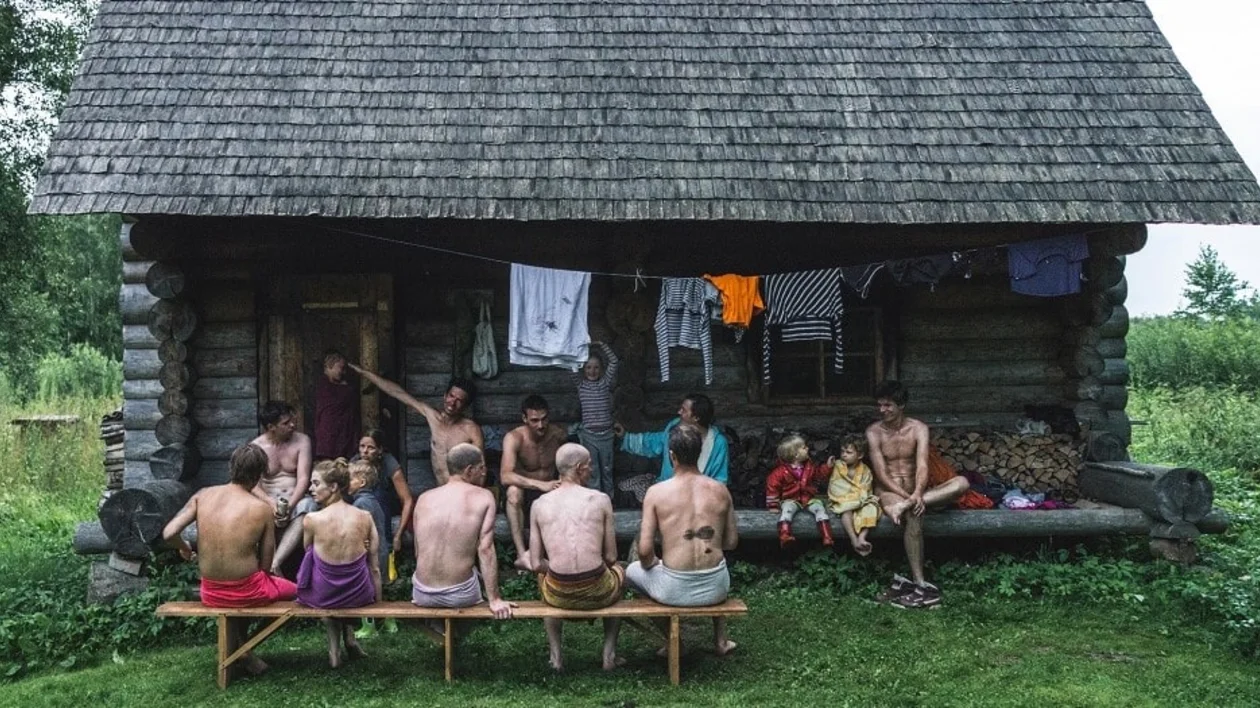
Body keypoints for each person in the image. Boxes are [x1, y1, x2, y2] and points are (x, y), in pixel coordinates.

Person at [162, 443, 297, 676]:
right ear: (258, 476)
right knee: (300, 591)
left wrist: (184, 548)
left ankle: (242, 651)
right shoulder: (262, 509)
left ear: (231, 467)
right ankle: (244, 650)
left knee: (249, 592)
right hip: (248, 591)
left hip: (211, 592)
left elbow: (168, 533)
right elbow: (266, 566)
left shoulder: (202, 496)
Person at [626, 423, 738, 656]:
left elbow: (645, 550)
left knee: (630, 571)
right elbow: (730, 543)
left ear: (671, 455)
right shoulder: (720, 490)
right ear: (699, 453)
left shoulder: (657, 493)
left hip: (674, 589)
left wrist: (653, 565)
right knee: (719, 563)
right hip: (717, 587)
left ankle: (672, 642)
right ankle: (720, 641)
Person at [866, 381, 969, 609]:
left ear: (901, 405)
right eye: (880, 405)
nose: (882, 410)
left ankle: (915, 586)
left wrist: (917, 495)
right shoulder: (874, 432)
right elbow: (881, 474)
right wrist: (909, 498)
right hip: (889, 491)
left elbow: (922, 465)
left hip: (919, 491)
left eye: (888, 405)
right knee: (912, 513)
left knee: (961, 483)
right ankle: (921, 584)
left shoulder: (918, 428)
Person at [528, 443, 625, 671]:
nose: (592, 469)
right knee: (619, 571)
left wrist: (557, 567)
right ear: (580, 468)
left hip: (558, 594)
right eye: (590, 465)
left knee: (543, 577)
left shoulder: (539, 504)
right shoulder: (600, 499)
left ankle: (556, 658)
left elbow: (534, 563)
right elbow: (611, 557)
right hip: (599, 592)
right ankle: (609, 655)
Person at [411, 443, 514, 619]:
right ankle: (453, 636)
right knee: (474, 572)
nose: (484, 473)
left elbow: (417, 550)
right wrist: (495, 599)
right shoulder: (484, 496)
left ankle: (441, 632)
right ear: (469, 470)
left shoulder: (423, 498)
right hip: (459, 595)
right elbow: (486, 549)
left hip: (422, 592)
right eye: (481, 468)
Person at [296, 459, 381, 668]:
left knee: (317, 564)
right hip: (358, 593)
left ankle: (334, 652)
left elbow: (307, 549)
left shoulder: (312, 519)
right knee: (340, 584)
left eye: (316, 484)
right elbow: (375, 566)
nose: (310, 489)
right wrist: (379, 603)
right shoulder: (365, 516)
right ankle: (349, 643)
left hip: (324, 594)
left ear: (333, 487)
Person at [349, 364, 484, 486]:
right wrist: (364, 372)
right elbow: (398, 393)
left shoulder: (471, 430)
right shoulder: (433, 417)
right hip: (441, 490)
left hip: (464, 492)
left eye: (459, 400)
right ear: (445, 396)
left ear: (466, 406)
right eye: (451, 396)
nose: (452, 402)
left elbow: (481, 468)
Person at [500, 395, 568, 570]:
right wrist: (539, 485)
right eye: (534, 420)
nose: (541, 425)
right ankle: (522, 554)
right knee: (513, 492)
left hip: (551, 490)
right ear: (524, 419)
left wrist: (561, 482)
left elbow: (568, 465)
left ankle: (561, 555)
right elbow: (505, 476)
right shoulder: (514, 438)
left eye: (544, 419)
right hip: (527, 492)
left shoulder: (558, 435)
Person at [250, 401, 316, 576]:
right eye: (285, 423)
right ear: (271, 427)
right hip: (268, 501)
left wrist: (290, 506)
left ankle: (275, 562)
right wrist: (271, 504)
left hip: (295, 500)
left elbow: (303, 478)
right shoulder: (256, 447)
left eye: (291, 420)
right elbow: (254, 485)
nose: (292, 425)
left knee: (309, 505)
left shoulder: (302, 441)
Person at [616, 393, 729, 484]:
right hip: (668, 493)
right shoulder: (674, 427)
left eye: (684, 410)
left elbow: (720, 481)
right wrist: (625, 437)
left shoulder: (718, 443)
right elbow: (654, 442)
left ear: (696, 417)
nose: (679, 412)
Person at [349, 429, 413, 555]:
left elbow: (408, 500)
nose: (365, 451)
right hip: (360, 508)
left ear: (380, 450)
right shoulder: (355, 462)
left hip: (385, 507)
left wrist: (398, 535)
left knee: (377, 493)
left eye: (370, 447)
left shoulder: (389, 463)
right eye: (362, 446)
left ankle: (386, 547)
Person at [764, 434, 834, 549]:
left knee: (820, 509)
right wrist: (773, 505)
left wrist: (827, 467)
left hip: (808, 498)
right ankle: (785, 535)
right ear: (795, 455)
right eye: (803, 447)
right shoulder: (780, 472)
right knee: (787, 511)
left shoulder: (809, 467)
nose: (807, 448)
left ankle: (827, 536)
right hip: (790, 499)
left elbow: (818, 475)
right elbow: (772, 487)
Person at [572, 341, 619, 498]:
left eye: (596, 367)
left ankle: (609, 500)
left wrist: (600, 346)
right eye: (588, 367)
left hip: (606, 435)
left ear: (602, 369)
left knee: (607, 468)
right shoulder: (581, 385)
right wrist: (582, 347)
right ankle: (595, 499)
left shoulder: (604, 384)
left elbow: (614, 361)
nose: (592, 371)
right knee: (593, 470)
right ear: (583, 369)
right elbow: (571, 364)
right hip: (589, 436)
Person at [828, 435, 880, 557]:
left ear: (860, 455)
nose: (844, 455)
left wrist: (860, 499)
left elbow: (866, 486)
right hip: (843, 500)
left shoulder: (865, 470)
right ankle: (854, 539)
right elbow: (834, 484)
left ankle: (862, 537)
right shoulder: (837, 466)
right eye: (842, 451)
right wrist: (827, 468)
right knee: (846, 510)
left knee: (872, 508)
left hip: (861, 500)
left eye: (849, 452)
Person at [314, 349, 360, 461]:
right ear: (330, 366)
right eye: (341, 368)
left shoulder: (339, 385)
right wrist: (346, 388)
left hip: (343, 432)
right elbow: (341, 399)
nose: (344, 372)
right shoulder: (323, 385)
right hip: (329, 434)